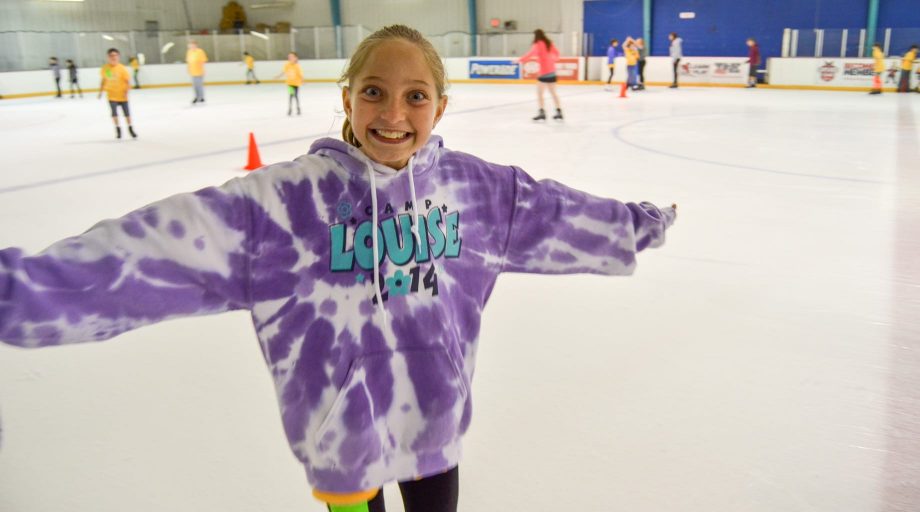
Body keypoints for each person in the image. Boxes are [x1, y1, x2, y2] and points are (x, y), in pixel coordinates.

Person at [0, 25, 676, 512]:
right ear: (348, 99)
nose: (393, 113)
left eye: (415, 97)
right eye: (375, 92)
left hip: (434, 417)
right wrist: (18, 292)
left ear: (439, 108)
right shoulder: (286, 204)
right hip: (342, 432)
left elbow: (553, 213)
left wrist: (632, 224)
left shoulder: (473, 192)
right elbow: (153, 249)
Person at [519, 29, 563, 121]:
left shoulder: (537, 44)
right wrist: (553, 59)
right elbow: (557, 53)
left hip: (543, 72)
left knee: (540, 94)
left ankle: (542, 112)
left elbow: (530, 54)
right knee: (553, 93)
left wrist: (520, 60)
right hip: (552, 72)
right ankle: (559, 112)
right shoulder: (549, 43)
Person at [97, 48, 137, 139]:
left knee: (127, 114)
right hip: (112, 95)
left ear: (118, 57)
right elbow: (105, 80)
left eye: (115, 55)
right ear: (108, 57)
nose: (113, 57)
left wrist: (126, 92)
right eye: (111, 56)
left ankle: (130, 128)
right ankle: (118, 129)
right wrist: (100, 91)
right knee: (114, 114)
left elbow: (127, 82)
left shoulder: (122, 68)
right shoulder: (106, 68)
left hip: (122, 95)